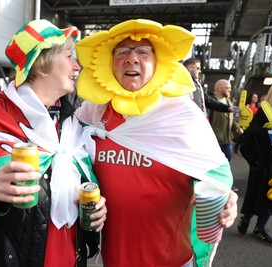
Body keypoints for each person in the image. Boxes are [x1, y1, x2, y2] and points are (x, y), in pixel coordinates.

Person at [0, 19, 107, 267]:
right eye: (69, 56)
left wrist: (96, 210)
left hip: (69, 256)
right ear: (43, 65)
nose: (77, 66)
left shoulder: (72, 125)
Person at [74, 19, 238, 267]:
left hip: (171, 259)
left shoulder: (182, 115)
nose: (132, 58)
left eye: (142, 52)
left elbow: (218, 178)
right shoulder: (91, 116)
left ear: (158, 63)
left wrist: (228, 200)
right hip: (113, 258)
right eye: (122, 52)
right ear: (109, 63)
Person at [237, 80, 272, 247]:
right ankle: (245, 220)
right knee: (255, 194)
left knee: (270, 197)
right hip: (262, 163)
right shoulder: (265, 112)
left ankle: (260, 228)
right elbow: (251, 135)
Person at [208, 79, 243, 163]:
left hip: (227, 140)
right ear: (219, 88)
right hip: (215, 141)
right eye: (227, 87)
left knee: (227, 164)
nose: (230, 90)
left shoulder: (229, 102)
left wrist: (237, 127)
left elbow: (230, 119)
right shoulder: (210, 102)